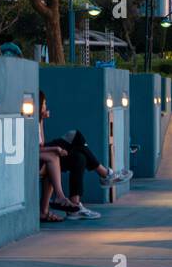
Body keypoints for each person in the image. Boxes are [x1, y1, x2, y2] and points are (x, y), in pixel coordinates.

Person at [40, 92, 131, 220]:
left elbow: (42, 143)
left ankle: (75, 206)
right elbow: (35, 149)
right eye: (43, 104)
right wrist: (56, 148)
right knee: (76, 135)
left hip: (45, 151)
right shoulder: (30, 120)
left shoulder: (39, 120)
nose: (45, 106)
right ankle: (105, 173)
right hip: (42, 155)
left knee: (79, 157)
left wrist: (42, 120)